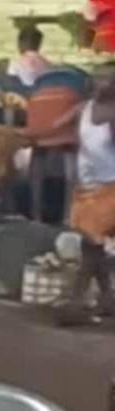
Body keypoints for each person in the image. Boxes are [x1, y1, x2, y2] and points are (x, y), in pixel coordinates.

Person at [67, 63, 115, 318]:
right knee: (92, 249)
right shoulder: (83, 110)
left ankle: (74, 305)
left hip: (110, 190)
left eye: (108, 79)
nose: (101, 83)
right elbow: (51, 128)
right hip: (87, 189)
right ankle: (107, 299)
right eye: (97, 77)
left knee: (91, 249)